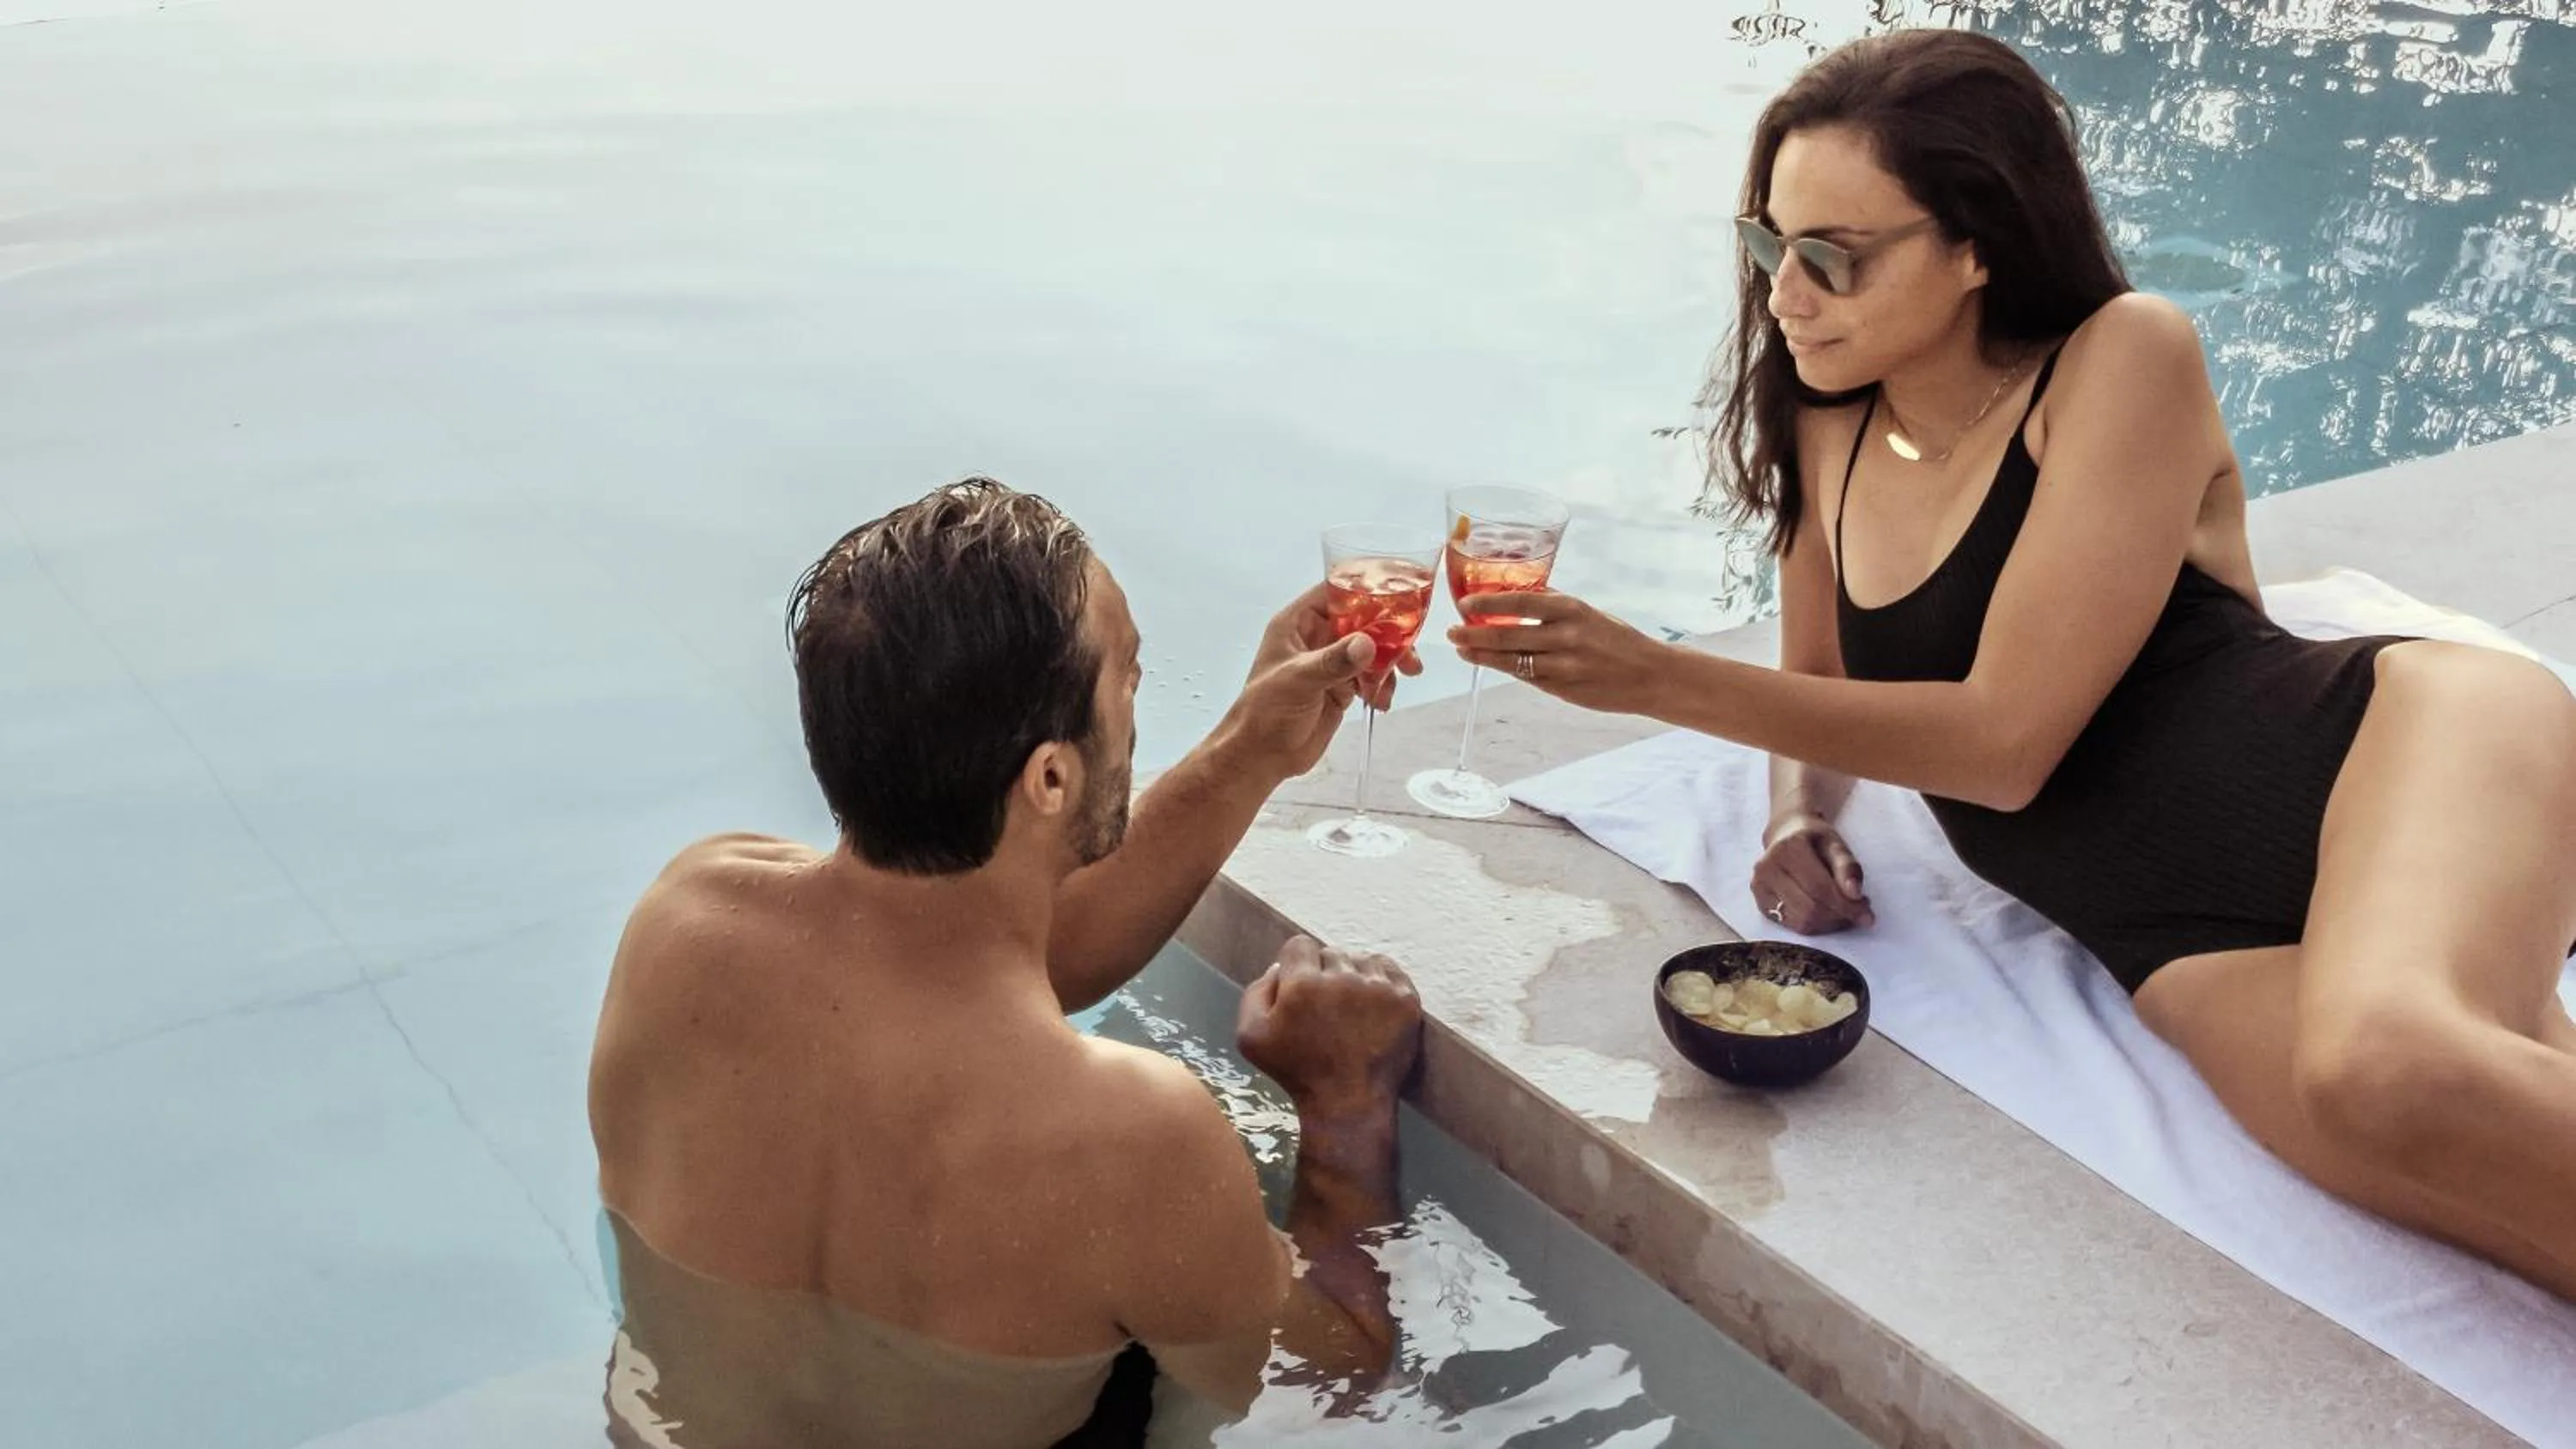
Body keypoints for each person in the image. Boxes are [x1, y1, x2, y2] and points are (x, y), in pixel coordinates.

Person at [1448, 29, 2576, 1302]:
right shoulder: (1830, 422)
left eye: (1833, 258)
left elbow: (2007, 744)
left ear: (1976, 243)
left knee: (2393, 1061)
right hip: (2178, 945)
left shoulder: (2119, 359)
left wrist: (1653, 676)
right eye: (1770, 245)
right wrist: (1796, 813)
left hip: (2386, 748)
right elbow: (1820, 682)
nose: (1784, 295)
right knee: (2515, 1216)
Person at [588, 478, 1427, 1448]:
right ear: (1051, 776)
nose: (1137, 696)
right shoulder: (1132, 1135)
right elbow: (1333, 1378)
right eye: (1129, 675)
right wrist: (1346, 1105)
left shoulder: (681, 925)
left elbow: (971, 967)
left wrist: (1250, 748)